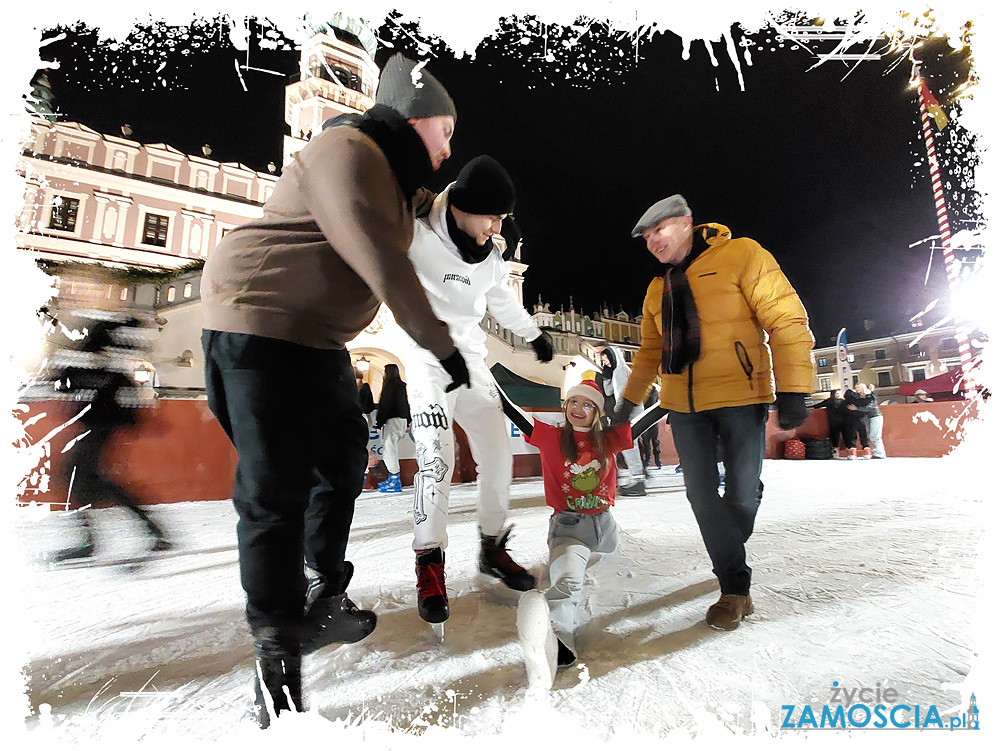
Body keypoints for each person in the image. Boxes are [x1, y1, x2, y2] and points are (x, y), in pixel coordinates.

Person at [199, 53, 470, 725]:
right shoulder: (345, 151)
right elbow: (381, 261)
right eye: (446, 134)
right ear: (416, 121)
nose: (449, 150)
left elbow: (445, 221)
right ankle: (276, 661)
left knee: (346, 452)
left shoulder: (404, 185)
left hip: (318, 340)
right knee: (273, 488)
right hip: (255, 318)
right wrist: (441, 346)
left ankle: (322, 590)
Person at [612, 194, 814, 631]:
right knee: (702, 496)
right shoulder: (656, 288)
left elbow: (784, 318)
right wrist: (627, 402)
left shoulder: (743, 254)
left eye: (659, 230)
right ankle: (735, 589)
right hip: (683, 406)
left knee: (740, 497)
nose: (652, 242)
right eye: (646, 237)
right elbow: (649, 353)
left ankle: (730, 540)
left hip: (741, 396)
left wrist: (795, 388)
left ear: (687, 222)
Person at [397, 155, 554, 628]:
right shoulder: (418, 235)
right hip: (427, 360)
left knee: (497, 453)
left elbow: (501, 298)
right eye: (492, 216)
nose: (497, 226)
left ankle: (490, 548)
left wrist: (532, 335)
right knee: (436, 458)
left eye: (503, 218)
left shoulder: (490, 255)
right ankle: (429, 563)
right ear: (464, 206)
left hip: (469, 360)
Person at [502, 380, 636, 689]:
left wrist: (672, 398)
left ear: (597, 413)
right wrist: (483, 373)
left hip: (605, 527)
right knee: (568, 581)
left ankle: (569, 572)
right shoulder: (550, 438)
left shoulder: (607, 440)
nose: (578, 409)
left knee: (599, 554)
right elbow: (511, 408)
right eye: (573, 402)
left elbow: (644, 421)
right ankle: (557, 637)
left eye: (587, 405)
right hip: (569, 528)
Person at [32, 310, 171, 563]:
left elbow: (125, 407)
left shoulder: (108, 373)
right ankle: (152, 531)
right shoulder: (93, 370)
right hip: (92, 430)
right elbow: (62, 381)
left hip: (99, 431)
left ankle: (94, 541)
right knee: (94, 482)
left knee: (76, 477)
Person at [598, 345, 646, 496]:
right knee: (628, 445)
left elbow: (624, 394)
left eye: (606, 358)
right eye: (603, 360)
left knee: (628, 445)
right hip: (627, 411)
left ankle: (638, 480)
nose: (605, 362)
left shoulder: (621, 371)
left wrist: (620, 414)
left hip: (629, 411)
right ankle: (637, 477)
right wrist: (606, 376)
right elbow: (609, 391)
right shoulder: (616, 371)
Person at [375, 363, 410, 493]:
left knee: (389, 450)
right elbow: (405, 403)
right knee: (392, 449)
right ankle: (393, 478)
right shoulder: (401, 386)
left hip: (393, 421)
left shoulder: (390, 386)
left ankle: (394, 480)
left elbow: (386, 404)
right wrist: (408, 421)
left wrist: (379, 423)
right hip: (401, 420)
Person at [854, 382, 886, 458]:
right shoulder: (860, 397)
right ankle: (877, 453)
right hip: (870, 417)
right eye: (856, 387)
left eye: (859, 387)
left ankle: (880, 453)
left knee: (875, 436)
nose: (857, 389)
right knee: (873, 435)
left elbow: (869, 407)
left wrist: (856, 408)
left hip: (875, 416)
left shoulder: (869, 395)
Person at [637, 384, 662, 471]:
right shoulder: (641, 391)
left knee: (655, 440)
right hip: (644, 418)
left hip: (654, 419)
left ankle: (658, 460)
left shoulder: (655, 390)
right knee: (645, 440)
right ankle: (648, 459)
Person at [843, 387, 872, 459]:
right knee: (863, 435)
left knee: (855, 435)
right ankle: (866, 451)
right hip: (861, 417)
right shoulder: (865, 398)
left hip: (854, 418)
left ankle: (854, 452)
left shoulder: (850, 399)